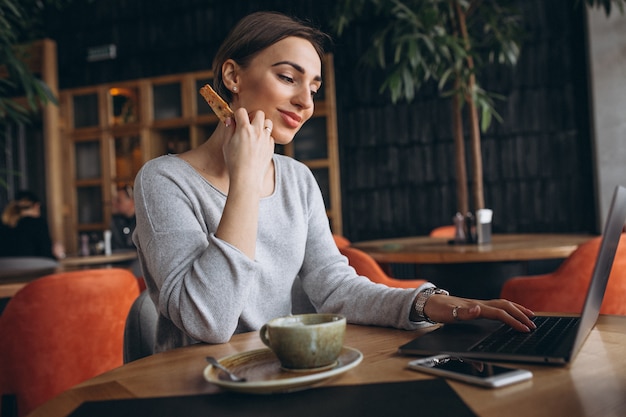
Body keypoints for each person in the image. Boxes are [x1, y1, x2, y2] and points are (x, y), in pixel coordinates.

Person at [133, 11, 536, 353]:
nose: (306, 102)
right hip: (199, 389)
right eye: (288, 78)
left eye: (313, 87)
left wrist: (429, 304)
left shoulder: (298, 180)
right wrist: (245, 180)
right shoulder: (163, 181)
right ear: (233, 76)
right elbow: (209, 322)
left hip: (289, 372)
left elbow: (335, 288)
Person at [0, 190, 59, 259]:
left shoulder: (3, 224)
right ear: (37, 206)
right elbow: (46, 255)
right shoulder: (38, 223)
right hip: (33, 267)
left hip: (5, 268)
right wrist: (57, 253)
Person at [110, 184, 136, 250]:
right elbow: (115, 245)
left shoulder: (141, 220)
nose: (114, 204)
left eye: (119, 201)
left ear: (132, 201)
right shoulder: (116, 220)